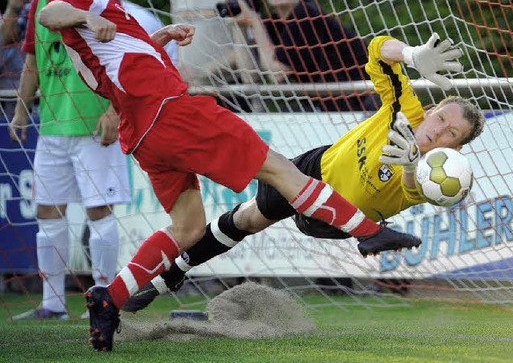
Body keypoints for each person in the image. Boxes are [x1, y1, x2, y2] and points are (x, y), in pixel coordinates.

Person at [37, 0, 427, 351]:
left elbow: (114, 63)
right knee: (280, 168)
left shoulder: (104, 6)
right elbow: (49, 14)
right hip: (171, 113)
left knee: (187, 229)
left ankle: (109, 298)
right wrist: (87, 16)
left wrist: (159, 39)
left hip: (145, 129)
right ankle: (368, 230)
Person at [122, 35, 485, 312]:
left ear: (455, 149)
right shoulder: (407, 108)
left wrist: (408, 163)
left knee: (255, 216)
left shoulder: (435, 174)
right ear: (433, 107)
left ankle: (171, 270)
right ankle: (172, 273)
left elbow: (411, 187)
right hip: (316, 166)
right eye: (441, 118)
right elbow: (376, 48)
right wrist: (411, 54)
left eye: (450, 134)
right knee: (247, 219)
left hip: (338, 219)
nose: (438, 130)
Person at [7, 0, 130, 321]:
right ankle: (52, 304)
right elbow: (31, 61)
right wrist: (23, 110)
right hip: (53, 126)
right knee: (47, 212)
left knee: (100, 213)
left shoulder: (101, 0)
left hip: (96, 127)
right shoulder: (41, 3)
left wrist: (114, 111)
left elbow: (125, 62)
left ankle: (106, 300)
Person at [236, 0, 380, 112]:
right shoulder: (275, 23)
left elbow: (276, 74)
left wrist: (254, 21)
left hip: (365, 101)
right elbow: (248, 75)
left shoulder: (305, 15)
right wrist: (239, 26)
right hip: (335, 104)